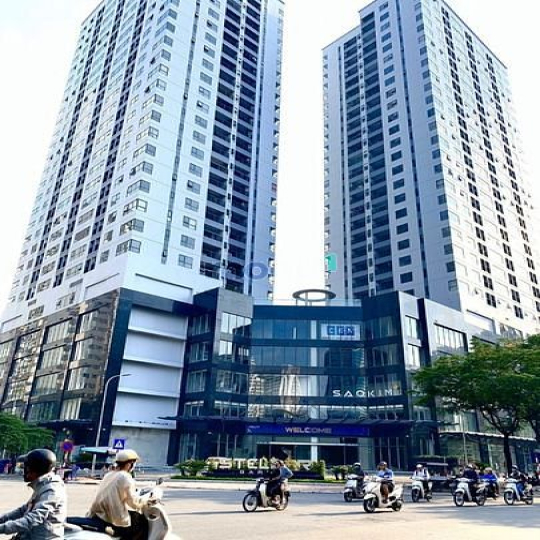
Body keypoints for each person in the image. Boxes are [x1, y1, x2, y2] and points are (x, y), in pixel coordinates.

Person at [68, 449, 147, 540]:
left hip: (98, 514)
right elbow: (133, 503)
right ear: (130, 464)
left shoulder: (109, 475)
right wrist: (146, 501)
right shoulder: (126, 477)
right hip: (113, 518)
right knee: (137, 526)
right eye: (134, 463)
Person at [0, 448, 66, 539]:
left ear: (36, 469)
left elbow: (34, 518)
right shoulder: (42, 485)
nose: (23, 471)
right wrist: (1, 519)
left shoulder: (52, 490)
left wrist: (3, 528)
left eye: (26, 467)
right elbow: (23, 510)